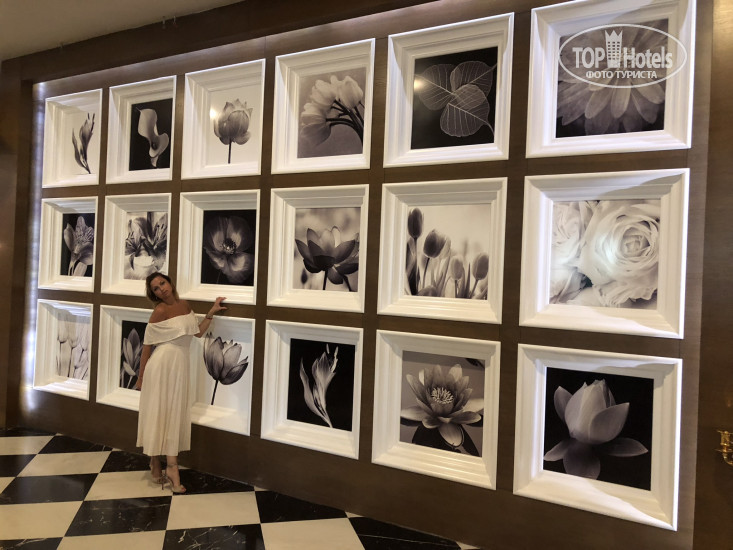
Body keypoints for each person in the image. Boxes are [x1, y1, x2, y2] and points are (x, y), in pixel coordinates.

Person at [135, 271, 226, 493]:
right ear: (154, 294)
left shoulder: (185, 305)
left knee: (173, 413)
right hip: (162, 365)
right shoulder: (160, 311)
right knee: (160, 412)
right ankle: (168, 466)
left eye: (162, 283)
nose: (162, 289)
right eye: (156, 288)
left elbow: (197, 333)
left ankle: (158, 462)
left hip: (180, 366)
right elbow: (147, 346)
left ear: (170, 282)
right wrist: (141, 377)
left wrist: (211, 312)